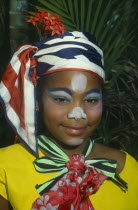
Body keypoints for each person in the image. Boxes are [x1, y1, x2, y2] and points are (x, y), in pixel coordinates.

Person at [0, 31, 137, 210]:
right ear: (37, 101)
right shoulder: (5, 165)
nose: (77, 114)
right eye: (61, 99)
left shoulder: (128, 168)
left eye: (91, 100)